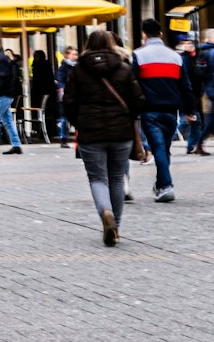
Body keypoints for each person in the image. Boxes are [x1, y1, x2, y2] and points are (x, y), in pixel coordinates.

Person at [63, 30, 142, 246]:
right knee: (117, 177)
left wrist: (79, 122)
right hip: (121, 132)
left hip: (90, 132)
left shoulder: (78, 70)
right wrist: (128, 118)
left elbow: (68, 102)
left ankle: (105, 212)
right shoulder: (124, 68)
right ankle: (115, 224)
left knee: (97, 178)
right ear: (111, 43)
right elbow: (138, 100)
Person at [133, 19, 195, 202]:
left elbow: (132, 84)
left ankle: (166, 186)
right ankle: (161, 185)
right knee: (164, 148)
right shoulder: (175, 57)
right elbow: (186, 86)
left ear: (144, 35)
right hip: (171, 110)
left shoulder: (138, 55)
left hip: (150, 109)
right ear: (160, 34)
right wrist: (191, 109)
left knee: (158, 148)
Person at [0, 37, 19, 153]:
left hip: (3, 95)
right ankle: (16, 145)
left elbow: (4, 76)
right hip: (4, 94)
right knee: (7, 121)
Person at [30, 49, 56, 147]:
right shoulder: (41, 65)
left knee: (44, 112)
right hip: (41, 92)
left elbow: (42, 81)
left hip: (42, 92)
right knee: (43, 112)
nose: (35, 57)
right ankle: (41, 131)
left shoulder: (42, 66)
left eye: (36, 56)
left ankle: (44, 131)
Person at [55, 43, 78, 145]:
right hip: (66, 94)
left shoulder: (78, 67)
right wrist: (62, 91)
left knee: (78, 116)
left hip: (77, 94)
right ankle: (63, 139)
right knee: (64, 117)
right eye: (73, 54)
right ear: (67, 55)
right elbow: (60, 80)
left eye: (76, 54)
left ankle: (78, 138)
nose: (75, 57)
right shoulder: (63, 67)